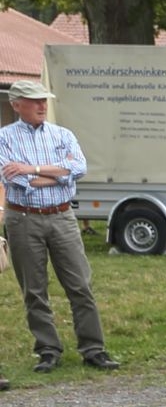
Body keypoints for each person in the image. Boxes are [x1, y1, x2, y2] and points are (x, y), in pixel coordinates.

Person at [1, 78, 121, 374]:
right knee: (34, 289)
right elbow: (15, 179)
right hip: (23, 218)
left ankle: (93, 349)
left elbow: (78, 168)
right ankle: (47, 350)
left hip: (62, 216)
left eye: (44, 100)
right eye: (35, 100)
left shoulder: (62, 134)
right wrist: (57, 173)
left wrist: (32, 169)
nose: (42, 105)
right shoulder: (4, 138)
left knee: (80, 284)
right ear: (16, 105)